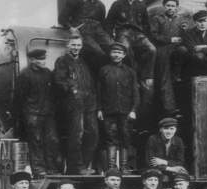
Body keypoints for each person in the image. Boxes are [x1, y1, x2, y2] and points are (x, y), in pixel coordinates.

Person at [54, 33, 98, 175]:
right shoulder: (62, 61)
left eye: (78, 45)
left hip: (88, 102)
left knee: (92, 134)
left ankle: (83, 166)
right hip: (73, 103)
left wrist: (91, 97)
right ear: (67, 45)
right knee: (76, 134)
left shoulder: (83, 63)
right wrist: (73, 91)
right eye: (73, 45)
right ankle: (76, 167)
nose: (76, 48)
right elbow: (59, 80)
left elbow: (89, 83)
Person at [14, 48, 59, 177]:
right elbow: (18, 98)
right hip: (32, 114)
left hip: (48, 113)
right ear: (32, 60)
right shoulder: (24, 75)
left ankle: (51, 168)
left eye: (44, 59)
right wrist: (25, 114)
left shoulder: (47, 73)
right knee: (36, 142)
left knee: (52, 141)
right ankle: (39, 169)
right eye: (41, 59)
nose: (44, 62)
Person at [57, 0, 114, 73]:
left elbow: (102, 22)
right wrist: (71, 28)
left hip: (98, 29)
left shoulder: (100, 5)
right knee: (97, 52)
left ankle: (111, 74)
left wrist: (108, 36)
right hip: (83, 29)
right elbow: (62, 18)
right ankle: (98, 76)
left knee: (112, 47)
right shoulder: (75, 0)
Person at [105, 0, 156, 88]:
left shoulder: (141, 5)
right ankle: (134, 77)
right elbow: (109, 22)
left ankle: (143, 75)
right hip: (123, 32)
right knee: (126, 49)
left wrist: (145, 37)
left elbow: (146, 24)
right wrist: (110, 37)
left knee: (152, 49)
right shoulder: (117, 4)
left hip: (138, 34)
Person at [97, 42, 139, 172]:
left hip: (126, 112)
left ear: (124, 55)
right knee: (111, 140)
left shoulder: (130, 72)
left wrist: (133, 110)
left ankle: (124, 168)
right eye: (114, 52)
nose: (116, 55)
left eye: (119, 52)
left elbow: (135, 93)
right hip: (109, 111)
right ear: (110, 54)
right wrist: (99, 109)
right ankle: (111, 169)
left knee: (125, 139)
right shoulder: (104, 70)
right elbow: (98, 91)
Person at [149, 0, 186, 114]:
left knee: (183, 51)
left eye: (173, 6)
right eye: (168, 5)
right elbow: (153, 35)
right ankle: (169, 108)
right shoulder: (157, 19)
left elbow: (185, 36)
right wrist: (170, 40)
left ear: (176, 7)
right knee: (165, 78)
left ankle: (177, 73)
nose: (170, 8)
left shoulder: (180, 20)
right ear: (164, 6)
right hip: (162, 50)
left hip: (175, 51)